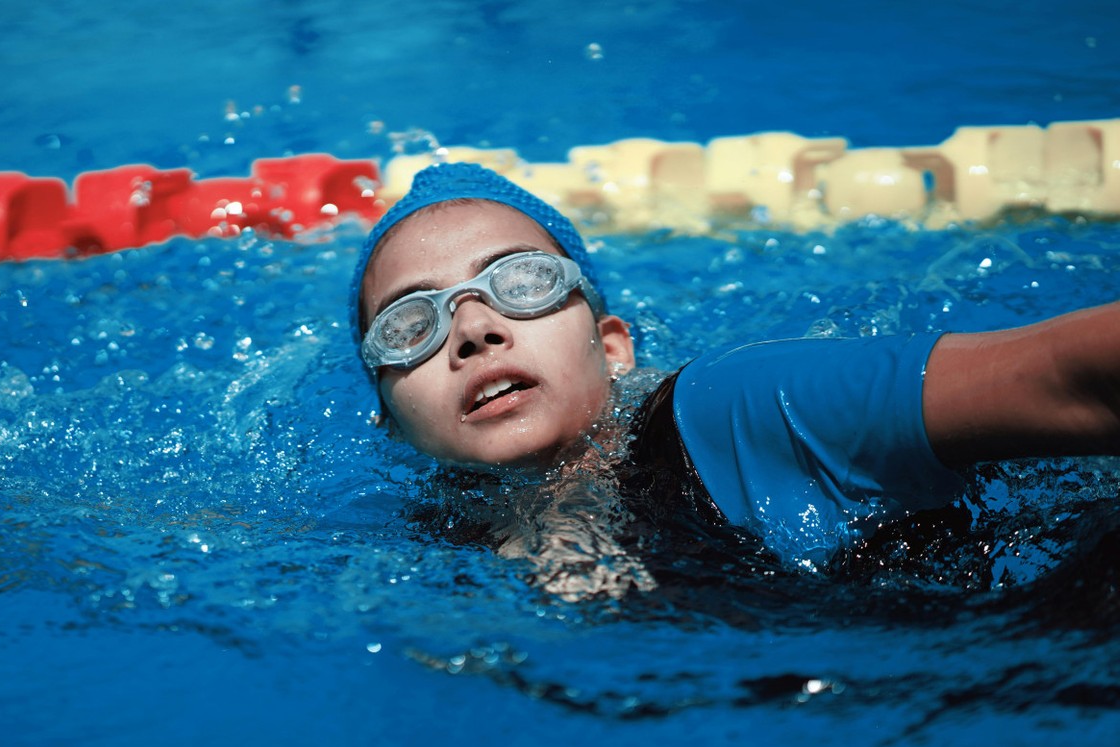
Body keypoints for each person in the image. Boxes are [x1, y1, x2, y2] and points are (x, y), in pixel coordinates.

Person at [350, 162, 1120, 584]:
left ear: (612, 347)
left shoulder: (734, 410)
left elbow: (1068, 378)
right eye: (411, 324)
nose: (475, 330)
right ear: (390, 417)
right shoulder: (419, 553)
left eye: (522, 284)